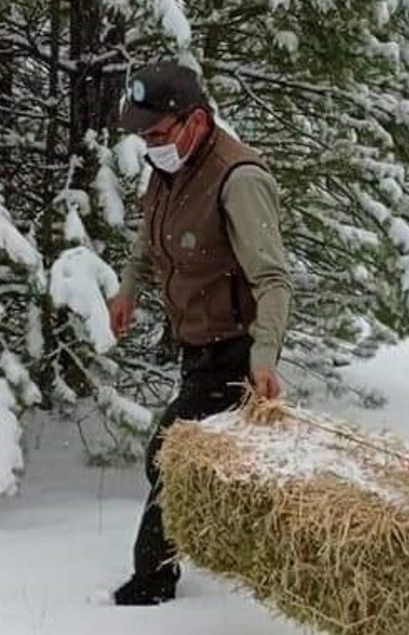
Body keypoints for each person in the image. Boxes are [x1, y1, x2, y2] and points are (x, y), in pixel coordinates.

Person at [110, 61, 292, 606]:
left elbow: (274, 279)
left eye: (157, 133)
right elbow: (150, 237)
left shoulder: (239, 180)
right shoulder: (170, 166)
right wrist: (127, 289)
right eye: (142, 135)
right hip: (196, 346)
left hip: (232, 350)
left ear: (194, 120)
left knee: (169, 458)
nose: (149, 145)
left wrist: (263, 357)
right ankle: (238, 547)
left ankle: (153, 584)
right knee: (210, 463)